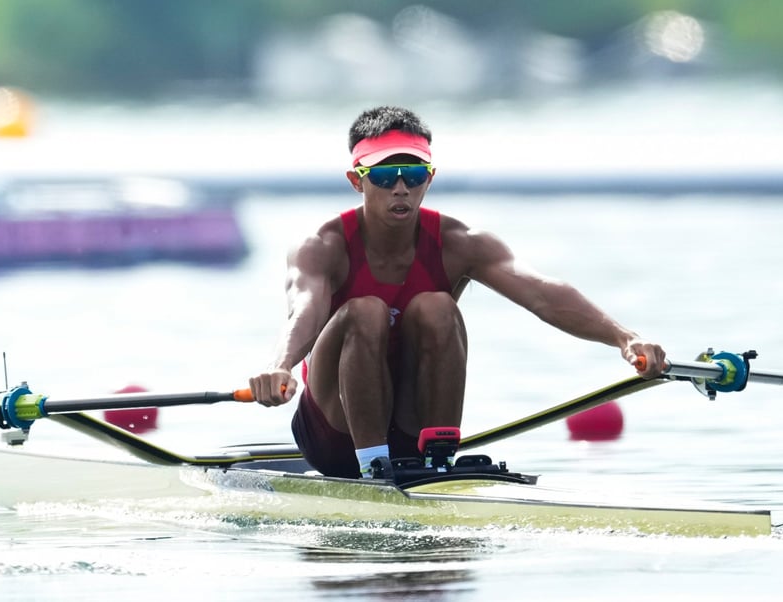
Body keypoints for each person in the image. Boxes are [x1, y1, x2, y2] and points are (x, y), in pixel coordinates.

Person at [248, 105, 666, 479]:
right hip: (333, 433)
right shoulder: (322, 246)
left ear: (428, 178)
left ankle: (438, 458)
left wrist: (625, 338)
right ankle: (373, 464)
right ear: (357, 182)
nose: (400, 188)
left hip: (411, 426)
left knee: (437, 306)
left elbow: (542, 293)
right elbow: (305, 308)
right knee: (365, 311)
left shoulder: (462, 242)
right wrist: (279, 365)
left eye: (412, 175)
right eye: (383, 175)